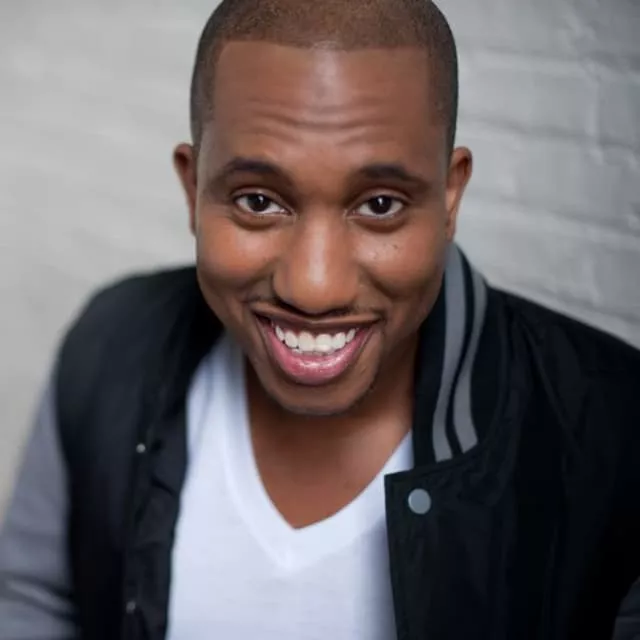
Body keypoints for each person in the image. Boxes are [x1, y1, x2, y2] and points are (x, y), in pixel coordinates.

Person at [1, 0, 640, 638]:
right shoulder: (112, 341)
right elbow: (34, 598)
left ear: (450, 198)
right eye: (258, 201)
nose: (314, 287)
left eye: (381, 205)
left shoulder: (614, 429)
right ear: (193, 190)